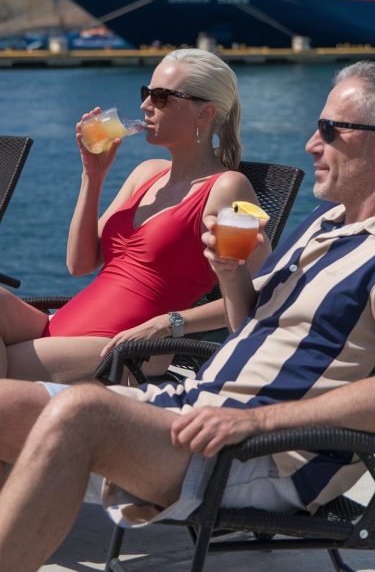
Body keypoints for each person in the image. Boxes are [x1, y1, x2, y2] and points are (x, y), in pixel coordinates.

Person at [0, 61, 375, 572]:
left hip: (261, 453)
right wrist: (232, 278)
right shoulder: (324, 228)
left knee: (81, 410)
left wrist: (255, 423)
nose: (310, 144)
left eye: (330, 130)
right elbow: (248, 327)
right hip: (192, 408)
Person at [0, 48, 270, 382]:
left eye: (161, 97)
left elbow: (262, 293)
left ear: (204, 114)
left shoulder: (228, 188)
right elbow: (79, 265)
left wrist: (171, 323)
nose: (145, 106)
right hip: (63, 329)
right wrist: (93, 176)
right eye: (147, 93)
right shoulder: (146, 174)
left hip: (126, 351)